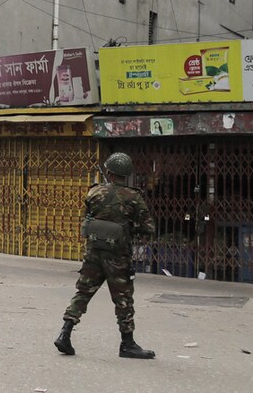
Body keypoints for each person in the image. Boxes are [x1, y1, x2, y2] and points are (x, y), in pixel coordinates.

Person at [55, 152, 156, 359]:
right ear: (127, 174)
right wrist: (126, 229)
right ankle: (127, 344)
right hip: (118, 256)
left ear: (108, 172)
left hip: (93, 251)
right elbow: (148, 228)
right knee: (123, 298)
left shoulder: (94, 192)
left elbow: (88, 217)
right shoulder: (133, 197)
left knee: (83, 292)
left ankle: (65, 333)